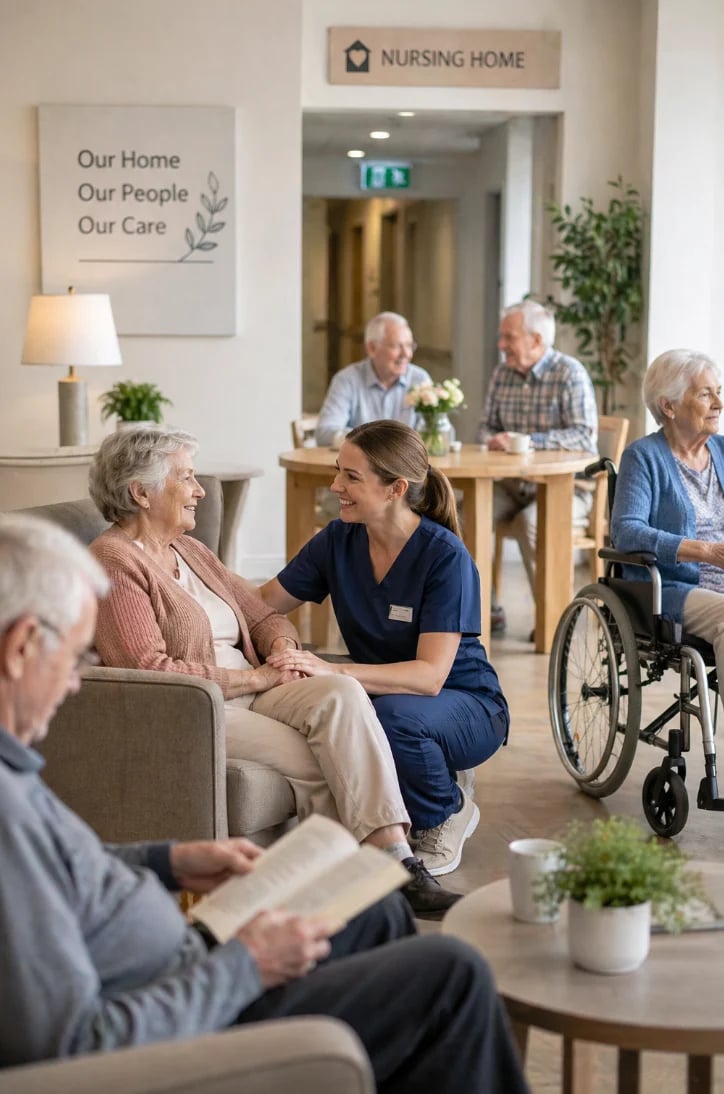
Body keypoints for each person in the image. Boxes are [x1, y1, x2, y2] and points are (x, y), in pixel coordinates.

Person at [0, 511, 530, 1091]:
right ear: (22, 648)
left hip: (180, 957)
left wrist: (167, 861)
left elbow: (61, 872)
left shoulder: (14, 769)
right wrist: (244, 965)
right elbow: (79, 1048)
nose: (79, 683)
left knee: (373, 907)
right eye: (76, 659)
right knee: (450, 974)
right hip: (186, 1016)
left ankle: (391, 861)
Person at [88, 427, 459, 917]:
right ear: (141, 493)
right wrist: (257, 679)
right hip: (196, 706)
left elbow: (263, 614)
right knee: (326, 760)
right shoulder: (114, 562)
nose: (199, 490)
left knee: (342, 692)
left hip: (253, 684)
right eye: (188, 478)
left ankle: (393, 862)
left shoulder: (191, 551)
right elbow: (150, 669)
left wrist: (283, 650)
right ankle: (364, 889)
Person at [261, 420, 510, 878]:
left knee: (391, 717)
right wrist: (192, 579)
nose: (336, 486)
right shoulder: (338, 540)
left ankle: (446, 810)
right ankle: (427, 778)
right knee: (333, 704)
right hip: (390, 695)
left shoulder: (446, 558)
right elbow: (261, 604)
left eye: (351, 477)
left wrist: (333, 670)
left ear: (396, 488)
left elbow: (429, 676)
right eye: (339, 471)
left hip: (467, 704)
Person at [477, 299, 598, 634]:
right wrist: (493, 438)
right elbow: (485, 426)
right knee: (462, 516)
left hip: (565, 488)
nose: (501, 345)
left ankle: (553, 621)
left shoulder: (569, 373)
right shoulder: (502, 374)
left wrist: (528, 441)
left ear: (536, 340)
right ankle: (485, 609)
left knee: (533, 523)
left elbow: (584, 436)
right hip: (511, 484)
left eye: (508, 337)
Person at [610, 348, 724, 686]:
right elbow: (626, 531)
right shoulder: (643, 457)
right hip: (672, 588)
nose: (718, 402)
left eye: (719, 391)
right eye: (705, 394)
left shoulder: (721, 449)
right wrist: (704, 551)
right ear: (668, 406)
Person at [315, 311, 433, 448]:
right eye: (396, 346)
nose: (407, 354)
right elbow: (324, 433)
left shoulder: (419, 378)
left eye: (409, 345)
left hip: (406, 468)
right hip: (359, 467)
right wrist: (374, 443)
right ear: (372, 348)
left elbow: (438, 433)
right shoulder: (347, 379)